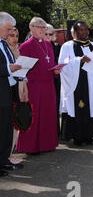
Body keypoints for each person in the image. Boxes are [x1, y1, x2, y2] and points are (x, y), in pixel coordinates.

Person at [59, 21, 93, 146]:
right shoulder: (68, 46)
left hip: (92, 81)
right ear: (75, 32)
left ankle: (90, 135)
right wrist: (79, 60)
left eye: (86, 29)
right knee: (79, 106)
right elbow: (63, 64)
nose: (84, 32)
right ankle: (78, 137)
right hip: (77, 83)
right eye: (81, 30)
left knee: (92, 106)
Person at [16, 17, 60, 154]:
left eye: (44, 28)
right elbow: (21, 69)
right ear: (31, 28)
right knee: (34, 116)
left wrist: (56, 71)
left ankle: (47, 144)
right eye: (40, 27)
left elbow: (50, 63)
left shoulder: (48, 45)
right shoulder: (25, 46)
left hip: (49, 86)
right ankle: (31, 147)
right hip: (34, 87)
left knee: (48, 115)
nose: (43, 30)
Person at [0, 12, 24, 176]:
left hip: (7, 92)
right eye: (8, 29)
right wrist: (10, 69)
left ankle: (3, 160)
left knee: (6, 128)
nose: (10, 32)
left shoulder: (3, 44)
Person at [6, 27, 27, 164]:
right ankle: (7, 154)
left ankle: (10, 152)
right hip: (9, 89)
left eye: (17, 35)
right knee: (9, 122)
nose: (15, 39)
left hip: (20, 86)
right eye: (11, 36)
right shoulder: (4, 52)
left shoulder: (18, 50)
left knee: (17, 121)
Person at [45, 24, 62, 138]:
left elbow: (60, 60)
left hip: (55, 80)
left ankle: (56, 131)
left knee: (55, 106)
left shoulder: (57, 46)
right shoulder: (38, 46)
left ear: (54, 36)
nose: (47, 36)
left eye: (50, 34)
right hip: (42, 80)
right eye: (45, 34)